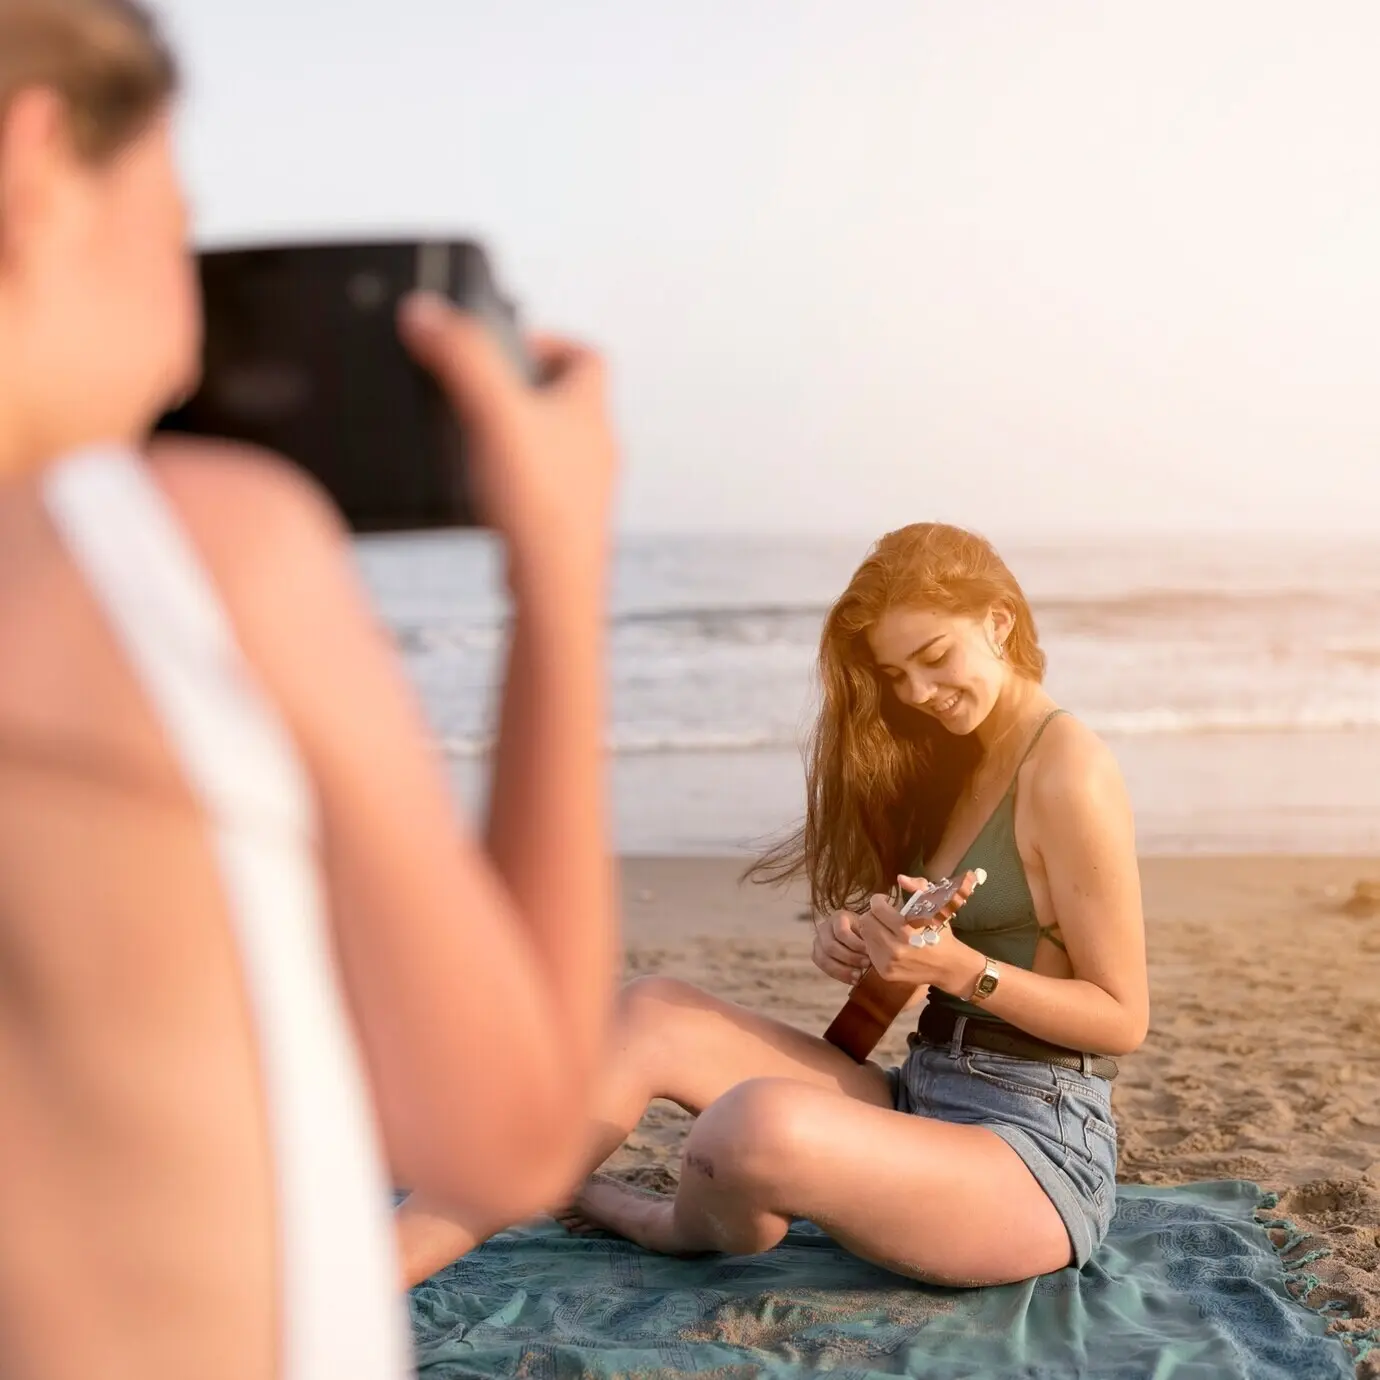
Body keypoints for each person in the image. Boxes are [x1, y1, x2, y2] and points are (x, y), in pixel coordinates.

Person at [0, 3, 620, 1377]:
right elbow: (509, 1133)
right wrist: (561, 565)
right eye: (172, 228)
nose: (183, 331)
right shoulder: (186, 551)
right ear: (35, 165)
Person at [538, 521, 1148, 1285]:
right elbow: (910, 975)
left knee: (749, 1126)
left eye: (933, 659)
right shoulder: (954, 757)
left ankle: (653, 1222)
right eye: (896, 675)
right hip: (921, 1095)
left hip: (1031, 1152)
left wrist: (963, 971)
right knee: (654, 1010)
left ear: (998, 622)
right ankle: (507, 1193)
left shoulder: (1070, 772)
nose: (918, 693)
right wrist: (868, 938)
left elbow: (1122, 1018)